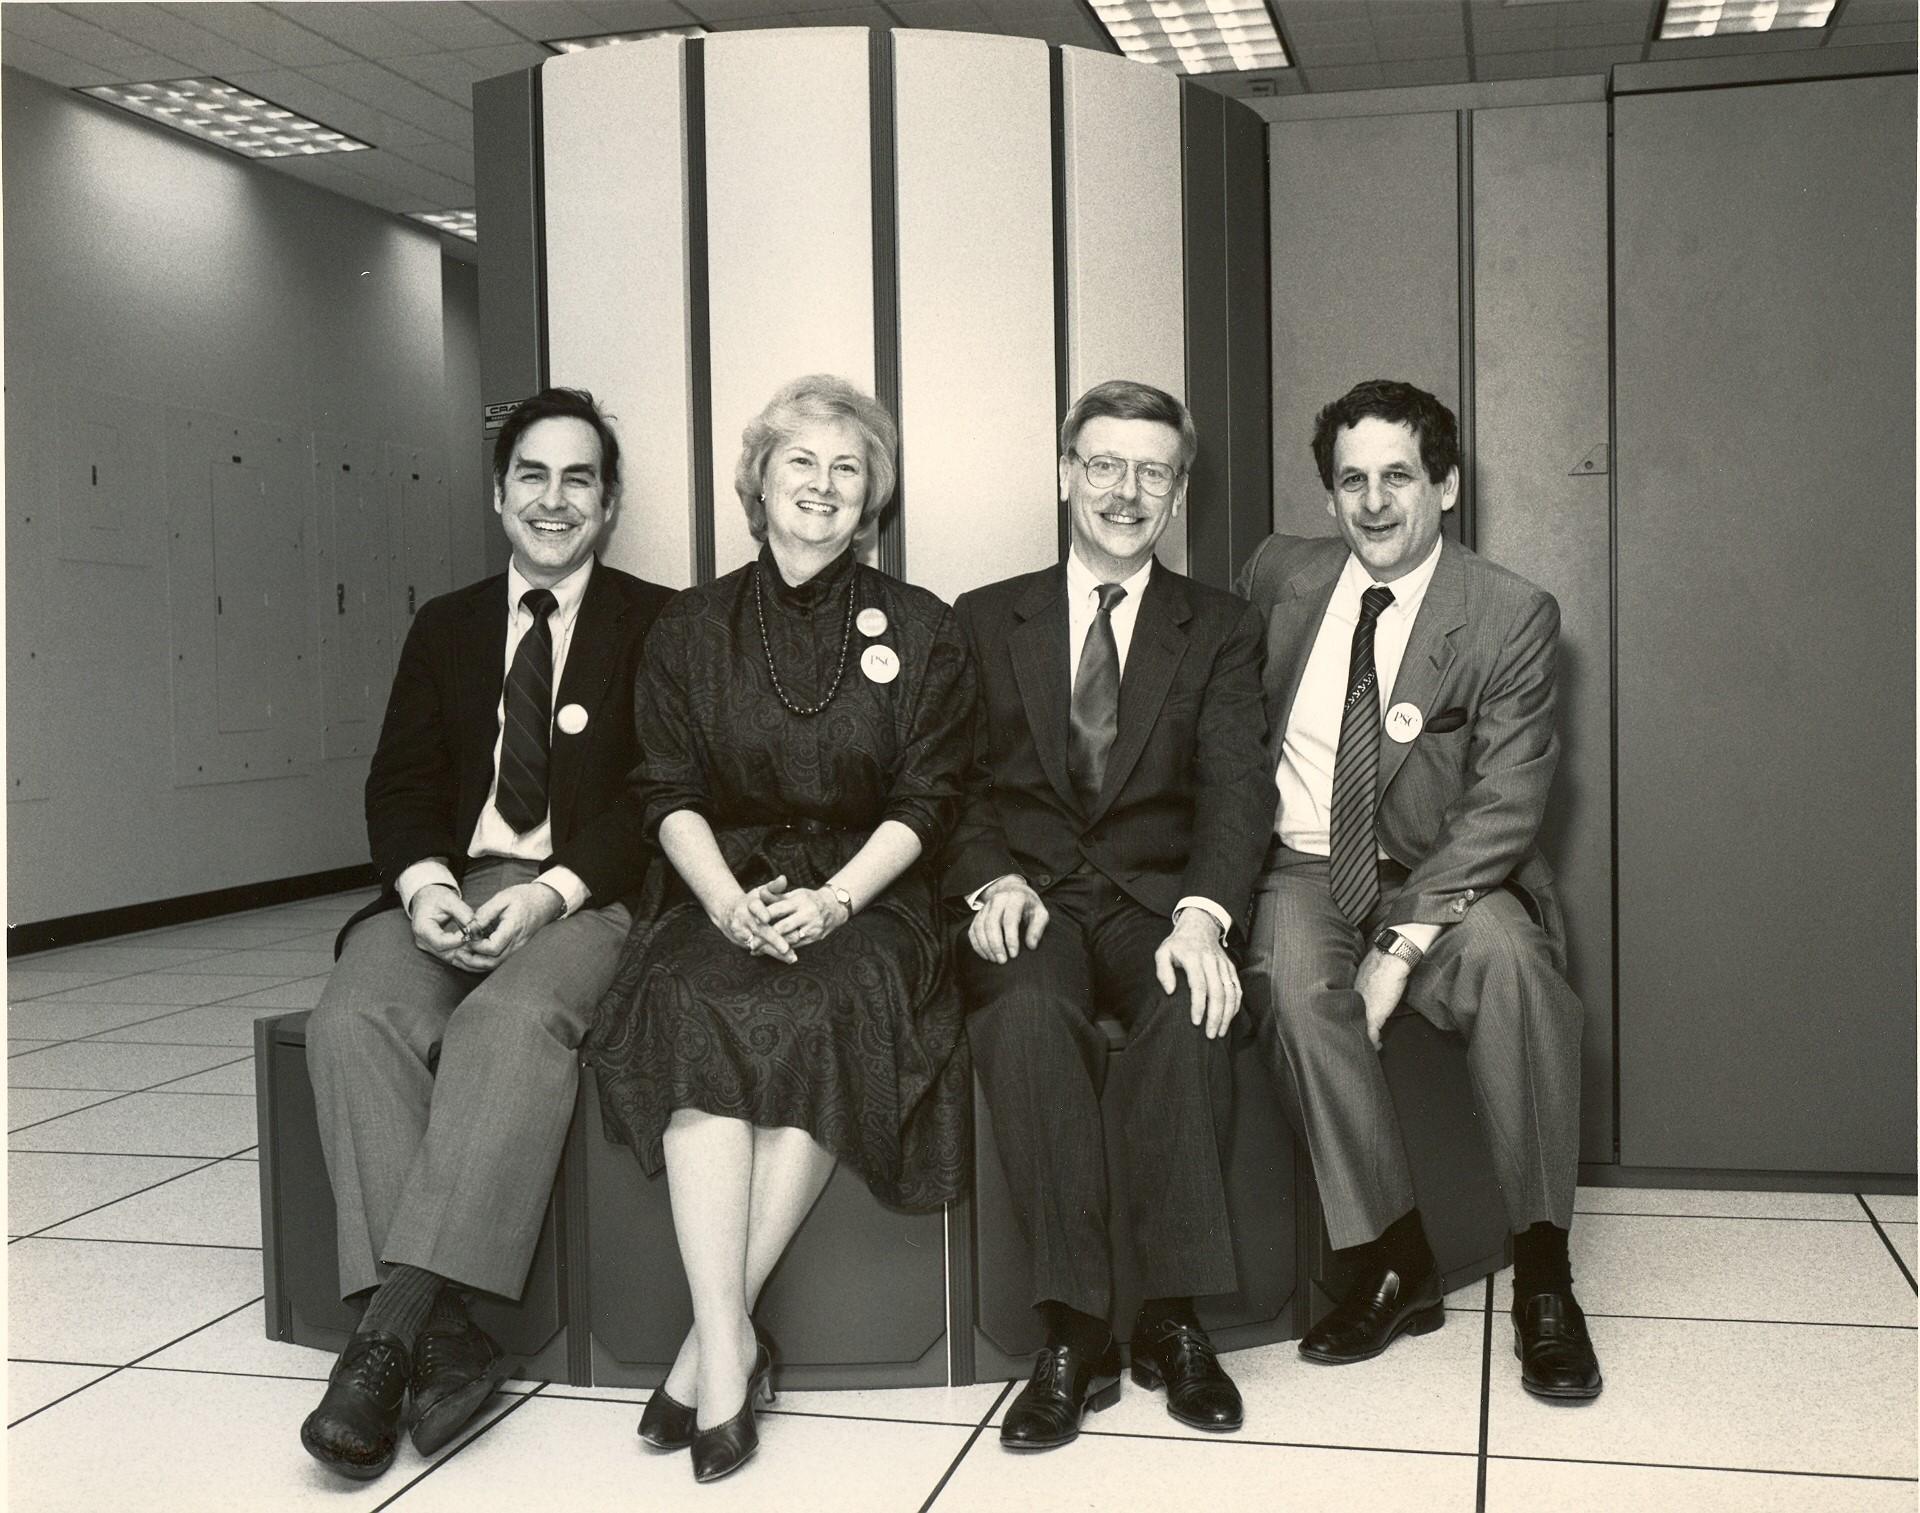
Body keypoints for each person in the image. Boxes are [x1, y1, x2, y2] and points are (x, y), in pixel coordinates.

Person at [588, 374, 975, 1484]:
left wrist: (838, 899)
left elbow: (930, 802)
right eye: (799, 461)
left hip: (871, 891)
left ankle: (706, 1353)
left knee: (823, 1000)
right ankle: (731, 1348)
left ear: (873, 497)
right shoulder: (689, 625)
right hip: (723, 880)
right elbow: (662, 788)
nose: (822, 484)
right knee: (701, 992)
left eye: (847, 467)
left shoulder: (925, 629)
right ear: (757, 480)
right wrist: (721, 898)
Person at [299, 389, 675, 1480]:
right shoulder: (447, 624)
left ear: (608, 506)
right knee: (356, 1014)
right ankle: (448, 1336)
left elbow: (656, 795)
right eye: (534, 477)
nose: (553, 501)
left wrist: (551, 891)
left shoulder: (658, 622)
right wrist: (421, 886)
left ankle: (387, 1335)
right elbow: (400, 781)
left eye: (579, 480)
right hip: (451, 884)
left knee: (510, 1023)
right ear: (497, 495)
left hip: (586, 894)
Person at [1237, 378, 1601, 1402]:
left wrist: (1400, 951)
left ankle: (1543, 1278)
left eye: (1398, 476)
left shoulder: (1507, 611)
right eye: (1351, 481)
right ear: (1328, 498)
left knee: (1516, 968)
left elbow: (1503, 808)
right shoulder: (1277, 576)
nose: (1374, 502)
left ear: (1443, 484)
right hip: (1304, 862)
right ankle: (1395, 1257)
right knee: (1295, 983)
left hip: (1444, 872)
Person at [946, 380, 1273, 1451]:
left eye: (1152, 472)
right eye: (1104, 465)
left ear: (1178, 494)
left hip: (1152, 899)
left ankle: (1171, 1319)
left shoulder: (1219, 626)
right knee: (1029, 1020)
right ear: (1063, 474)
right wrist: (990, 879)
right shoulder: (986, 617)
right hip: (1029, 898)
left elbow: (1237, 791)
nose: (1125, 491)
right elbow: (952, 788)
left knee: (1193, 1008)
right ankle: (1074, 1329)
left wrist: (1205, 918)